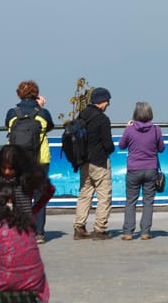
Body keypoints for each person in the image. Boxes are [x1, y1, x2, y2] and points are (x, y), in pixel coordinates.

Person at [4, 80, 54, 243]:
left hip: (17, 159)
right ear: (36, 94)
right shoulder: (43, 113)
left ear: (19, 93)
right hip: (40, 158)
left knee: (20, 194)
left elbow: (7, 128)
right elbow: (50, 127)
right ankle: (39, 232)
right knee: (39, 195)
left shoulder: (12, 113)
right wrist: (40, 108)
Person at [0, 145, 55, 240]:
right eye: (3, 168)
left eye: (11, 168)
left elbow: (50, 190)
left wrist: (34, 210)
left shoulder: (30, 176)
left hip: (23, 226)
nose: (7, 172)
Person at [117, 101, 165, 241]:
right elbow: (161, 148)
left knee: (131, 201)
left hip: (133, 169)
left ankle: (128, 232)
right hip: (151, 169)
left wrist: (127, 128)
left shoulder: (130, 130)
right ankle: (145, 231)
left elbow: (121, 146)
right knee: (148, 201)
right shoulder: (156, 130)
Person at [73, 87, 115, 240]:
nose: (108, 104)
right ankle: (100, 229)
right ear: (102, 101)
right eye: (107, 101)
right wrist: (110, 150)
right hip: (99, 162)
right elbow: (108, 144)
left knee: (85, 194)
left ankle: (79, 227)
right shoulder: (102, 119)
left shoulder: (82, 115)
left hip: (84, 161)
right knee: (104, 196)